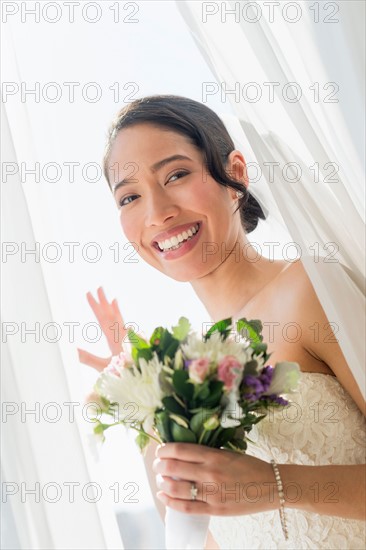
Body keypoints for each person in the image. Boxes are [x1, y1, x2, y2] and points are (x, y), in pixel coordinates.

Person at [78, 95, 366, 549]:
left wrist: (275, 485)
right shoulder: (181, 375)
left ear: (235, 173)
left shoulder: (310, 290)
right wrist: (144, 399)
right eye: (130, 196)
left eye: (176, 174)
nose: (157, 213)